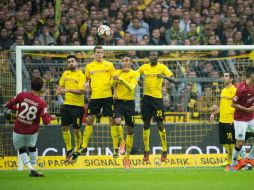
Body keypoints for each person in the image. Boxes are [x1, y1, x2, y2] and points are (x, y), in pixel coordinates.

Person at [5, 77, 56, 177]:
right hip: (31, 132)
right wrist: (51, 118)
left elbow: (8, 105)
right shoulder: (42, 103)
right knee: (32, 147)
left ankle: (30, 168)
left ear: (31, 85)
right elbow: (46, 122)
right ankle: (32, 168)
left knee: (21, 149)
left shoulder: (21, 95)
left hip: (18, 130)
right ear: (41, 88)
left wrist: (19, 108)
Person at [138, 51, 175, 162]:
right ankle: (146, 152)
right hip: (146, 99)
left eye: (155, 55)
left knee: (160, 124)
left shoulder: (162, 67)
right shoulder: (144, 67)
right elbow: (134, 75)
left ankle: (164, 150)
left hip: (157, 100)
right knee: (146, 124)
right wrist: (138, 81)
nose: (153, 56)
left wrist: (163, 76)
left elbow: (174, 80)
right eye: (151, 55)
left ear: (157, 57)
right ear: (149, 57)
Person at [80, 46, 115, 156]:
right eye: (97, 52)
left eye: (101, 52)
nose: (99, 54)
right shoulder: (89, 66)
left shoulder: (109, 65)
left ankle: (115, 148)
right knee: (89, 119)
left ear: (103, 53)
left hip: (108, 96)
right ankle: (84, 146)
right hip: (95, 97)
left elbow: (114, 79)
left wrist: (114, 92)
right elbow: (86, 79)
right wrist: (86, 85)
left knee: (112, 121)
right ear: (94, 54)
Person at [210, 72, 246, 171]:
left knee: (231, 142)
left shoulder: (235, 90)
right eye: (224, 76)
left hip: (231, 120)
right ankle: (236, 160)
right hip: (222, 120)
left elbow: (241, 104)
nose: (224, 78)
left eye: (226, 76)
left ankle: (235, 161)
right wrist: (214, 113)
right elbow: (222, 106)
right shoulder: (223, 91)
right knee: (224, 142)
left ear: (231, 79)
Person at [110, 56, 139, 169]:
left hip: (130, 104)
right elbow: (110, 84)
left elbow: (131, 87)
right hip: (119, 103)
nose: (125, 62)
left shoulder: (134, 74)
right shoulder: (117, 72)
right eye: (123, 61)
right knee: (117, 121)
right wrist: (114, 80)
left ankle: (127, 158)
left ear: (131, 63)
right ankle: (122, 142)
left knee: (130, 130)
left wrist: (121, 79)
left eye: (127, 60)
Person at [56, 55, 86, 163]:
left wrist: (67, 89)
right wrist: (59, 90)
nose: (70, 63)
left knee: (76, 130)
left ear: (76, 62)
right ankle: (69, 149)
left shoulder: (81, 75)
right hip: (67, 105)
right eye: (68, 62)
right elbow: (60, 87)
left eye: (72, 61)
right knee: (64, 128)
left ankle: (77, 149)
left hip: (77, 107)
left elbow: (82, 91)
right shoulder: (65, 74)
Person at [230, 66, 254, 171]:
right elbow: (233, 104)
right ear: (251, 75)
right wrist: (247, 109)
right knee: (240, 142)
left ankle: (250, 159)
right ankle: (233, 164)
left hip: (251, 117)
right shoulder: (241, 88)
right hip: (240, 119)